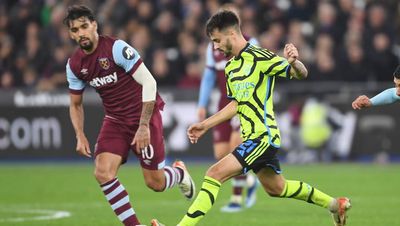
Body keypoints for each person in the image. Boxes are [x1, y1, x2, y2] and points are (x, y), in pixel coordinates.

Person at [152, 10, 351, 226]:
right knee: (277, 188)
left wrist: (294, 62)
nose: (216, 47)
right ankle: (335, 205)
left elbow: (300, 73)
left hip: (263, 137)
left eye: (217, 40)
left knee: (214, 174)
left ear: (231, 34)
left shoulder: (261, 57)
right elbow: (236, 104)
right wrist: (205, 125)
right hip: (251, 139)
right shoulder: (231, 68)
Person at [63, 5, 195, 226]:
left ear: (94, 25)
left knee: (155, 183)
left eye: (84, 26)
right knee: (103, 172)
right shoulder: (75, 65)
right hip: (115, 121)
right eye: (75, 30)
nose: (81, 33)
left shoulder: (116, 48)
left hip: (144, 116)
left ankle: (179, 173)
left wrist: (143, 126)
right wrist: (79, 134)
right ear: (71, 34)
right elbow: (75, 104)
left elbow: (150, 82)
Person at [197, 3, 259, 213]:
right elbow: (208, 77)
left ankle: (235, 199)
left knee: (236, 148)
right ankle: (251, 179)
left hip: (243, 102)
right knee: (221, 153)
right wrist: (202, 104)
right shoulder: (213, 48)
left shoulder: (251, 43)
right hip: (223, 102)